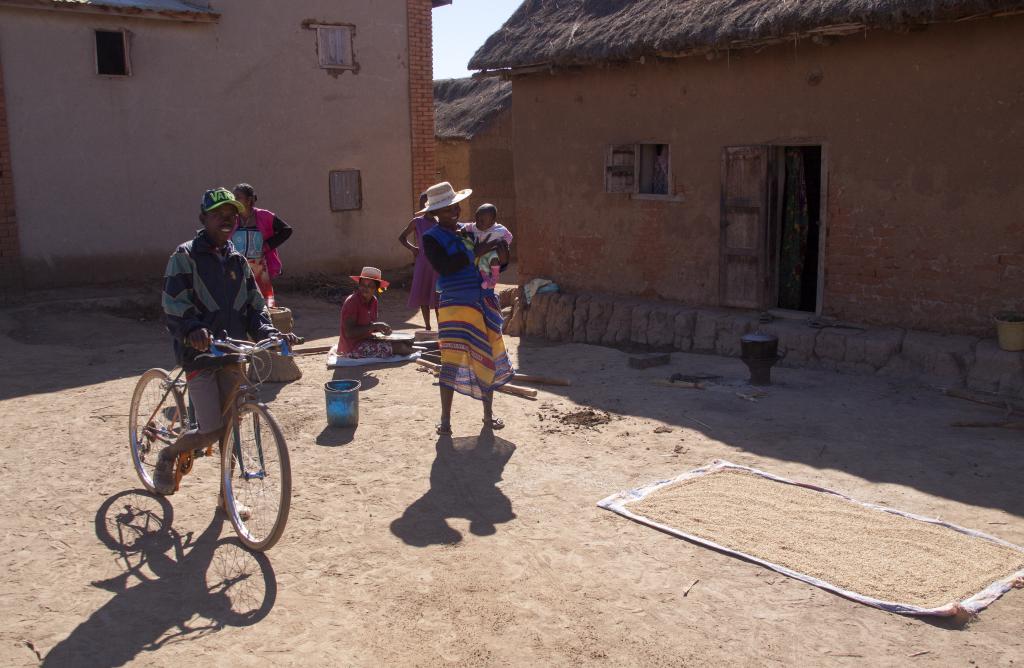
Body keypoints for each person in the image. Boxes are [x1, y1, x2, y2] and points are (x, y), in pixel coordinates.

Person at [156, 187, 299, 497]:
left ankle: (226, 500)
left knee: (231, 428)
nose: (227, 219)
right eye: (218, 214)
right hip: (202, 356)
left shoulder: (237, 261)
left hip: (233, 353)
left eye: (232, 214)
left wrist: (269, 334)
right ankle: (167, 455)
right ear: (203, 218)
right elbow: (173, 303)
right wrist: (193, 329)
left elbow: (255, 306)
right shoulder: (185, 257)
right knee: (210, 430)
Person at [419, 182, 513, 434]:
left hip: (482, 300)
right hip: (455, 304)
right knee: (450, 360)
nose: (455, 212)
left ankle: (487, 416)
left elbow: (489, 259)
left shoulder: (470, 232)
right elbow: (445, 267)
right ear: (435, 214)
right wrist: (474, 254)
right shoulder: (431, 238)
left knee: (488, 358)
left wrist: (503, 260)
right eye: (448, 209)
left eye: (456, 207)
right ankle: (446, 420)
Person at [231, 183, 293, 307]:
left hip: (260, 268)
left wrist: (267, 246)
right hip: (237, 267)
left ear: (249, 200)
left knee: (265, 301)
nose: (234, 200)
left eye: (238, 197)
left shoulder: (264, 216)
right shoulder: (232, 218)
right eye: (234, 197)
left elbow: (286, 230)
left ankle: (267, 320)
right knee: (238, 301)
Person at [398, 192, 441, 329]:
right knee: (423, 293)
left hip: (437, 263)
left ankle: (441, 327)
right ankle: (427, 326)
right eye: (424, 203)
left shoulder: (439, 223)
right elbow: (402, 237)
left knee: (438, 295)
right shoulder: (417, 222)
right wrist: (413, 248)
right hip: (423, 263)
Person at [338, 267, 395, 358]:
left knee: (404, 343)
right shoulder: (352, 301)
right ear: (359, 285)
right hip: (351, 347)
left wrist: (381, 328)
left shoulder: (374, 301)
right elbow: (349, 333)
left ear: (376, 288)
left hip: (365, 341)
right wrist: (374, 326)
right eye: (363, 285)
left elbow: (368, 325)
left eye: (370, 286)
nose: (365, 288)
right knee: (401, 348)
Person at [463, 203, 513, 289]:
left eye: (482, 221)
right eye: (477, 219)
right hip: (480, 255)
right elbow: (467, 226)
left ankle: (494, 280)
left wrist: (504, 244)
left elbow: (509, 236)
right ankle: (486, 281)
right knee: (482, 267)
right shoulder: (475, 226)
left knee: (494, 261)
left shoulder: (499, 229)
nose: (478, 223)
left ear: (492, 221)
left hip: (493, 252)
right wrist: (461, 230)